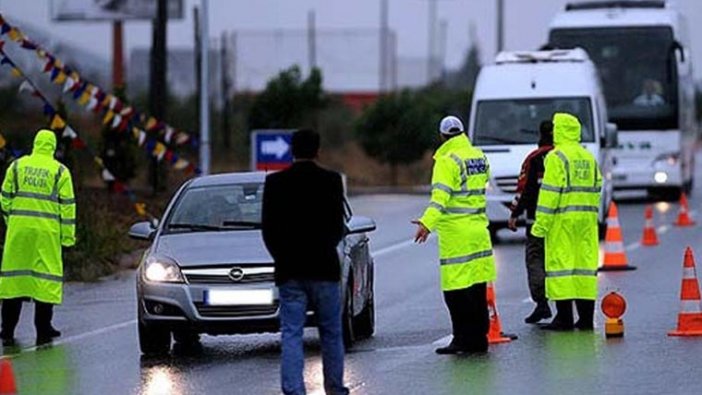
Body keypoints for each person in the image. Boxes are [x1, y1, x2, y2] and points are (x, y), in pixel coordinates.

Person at [261, 129, 348, 395]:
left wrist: (283, 256)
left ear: (291, 151)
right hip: (324, 268)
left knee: (291, 334)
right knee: (331, 333)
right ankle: (334, 388)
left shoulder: (275, 183)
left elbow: (269, 229)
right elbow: (338, 226)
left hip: (290, 271)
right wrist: (324, 247)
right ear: (318, 150)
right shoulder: (331, 181)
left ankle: (294, 390)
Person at [413, 115, 496, 354]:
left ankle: (462, 340)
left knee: (456, 291)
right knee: (478, 288)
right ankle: (480, 340)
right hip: (479, 230)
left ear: (442, 136)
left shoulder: (446, 160)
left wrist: (426, 224)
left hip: (457, 235)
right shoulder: (478, 156)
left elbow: (440, 198)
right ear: (462, 132)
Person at [0, 129, 76, 346]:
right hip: (47, 234)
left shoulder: (16, 166)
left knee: (14, 281)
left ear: (35, 144)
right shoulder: (60, 172)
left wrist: (12, 220)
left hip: (19, 232)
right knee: (45, 279)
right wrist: (67, 239)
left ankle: (6, 330)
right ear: (52, 147)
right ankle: (43, 328)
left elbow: (4, 198)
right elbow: (68, 208)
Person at [531, 113, 601, 331]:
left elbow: (549, 195)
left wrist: (539, 226)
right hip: (587, 222)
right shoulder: (587, 156)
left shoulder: (556, 157)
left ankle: (564, 318)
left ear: (559, 131)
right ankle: (586, 318)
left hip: (562, 221)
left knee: (562, 268)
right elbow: (598, 186)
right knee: (584, 268)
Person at [508, 120, 554, 324]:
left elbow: (524, 190)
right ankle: (566, 308)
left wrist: (514, 214)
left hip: (536, 221)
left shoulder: (533, 159)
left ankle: (542, 304)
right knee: (560, 262)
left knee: (535, 260)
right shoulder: (565, 157)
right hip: (562, 222)